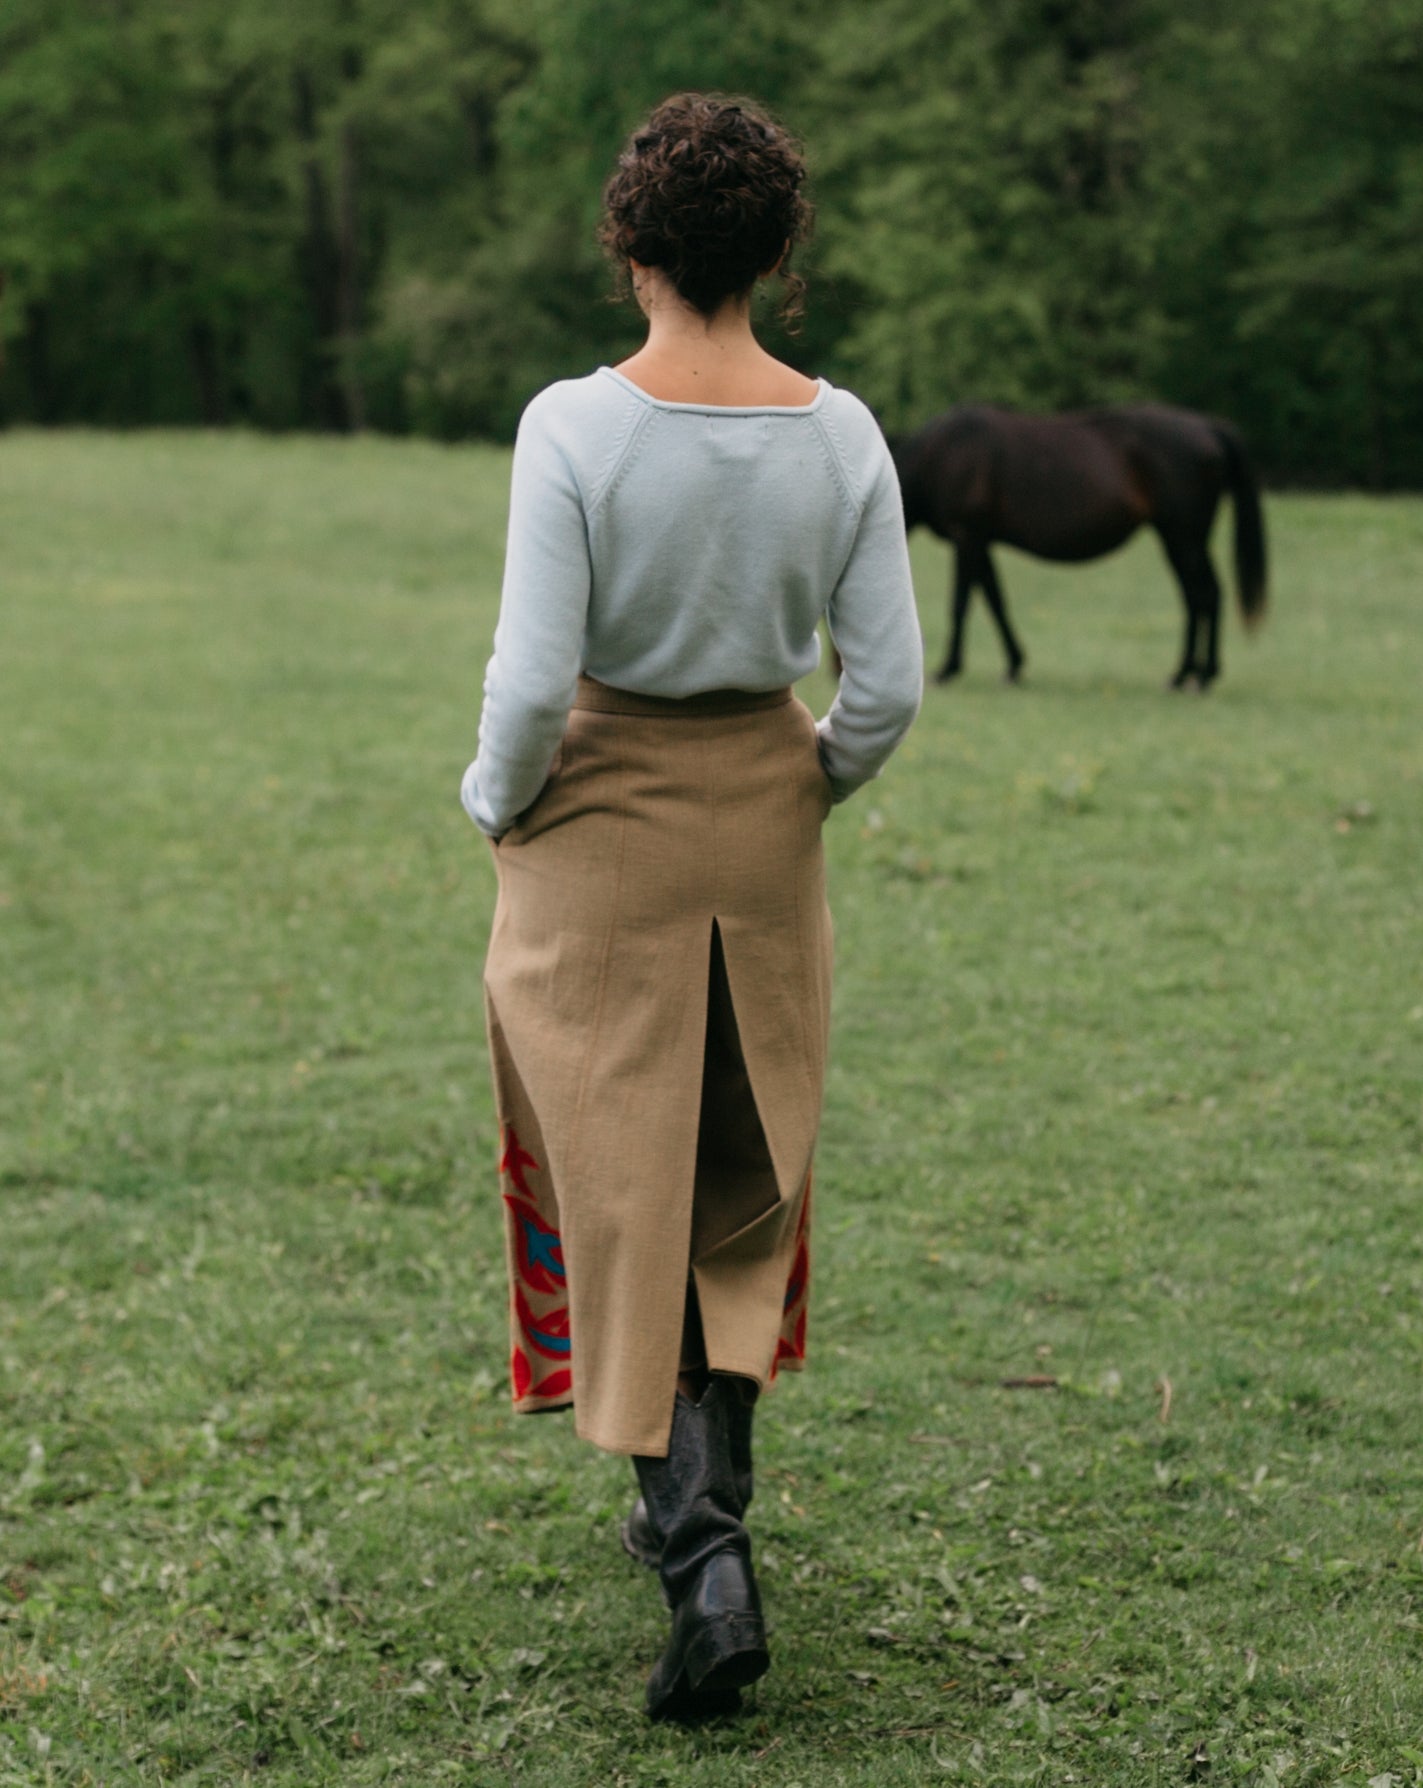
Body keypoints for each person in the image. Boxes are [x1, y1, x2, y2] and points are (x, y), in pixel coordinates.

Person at [460, 92, 923, 1721]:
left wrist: (493, 802)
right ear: (776, 252)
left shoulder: (576, 426)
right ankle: (707, 1516)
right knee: (740, 1174)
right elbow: (889, 691)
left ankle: (698, 1547)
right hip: (765, 825)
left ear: (632, 246)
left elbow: (528, 688)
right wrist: (807, 780)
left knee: (616, 1172)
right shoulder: (845, 430)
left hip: (598, 822)